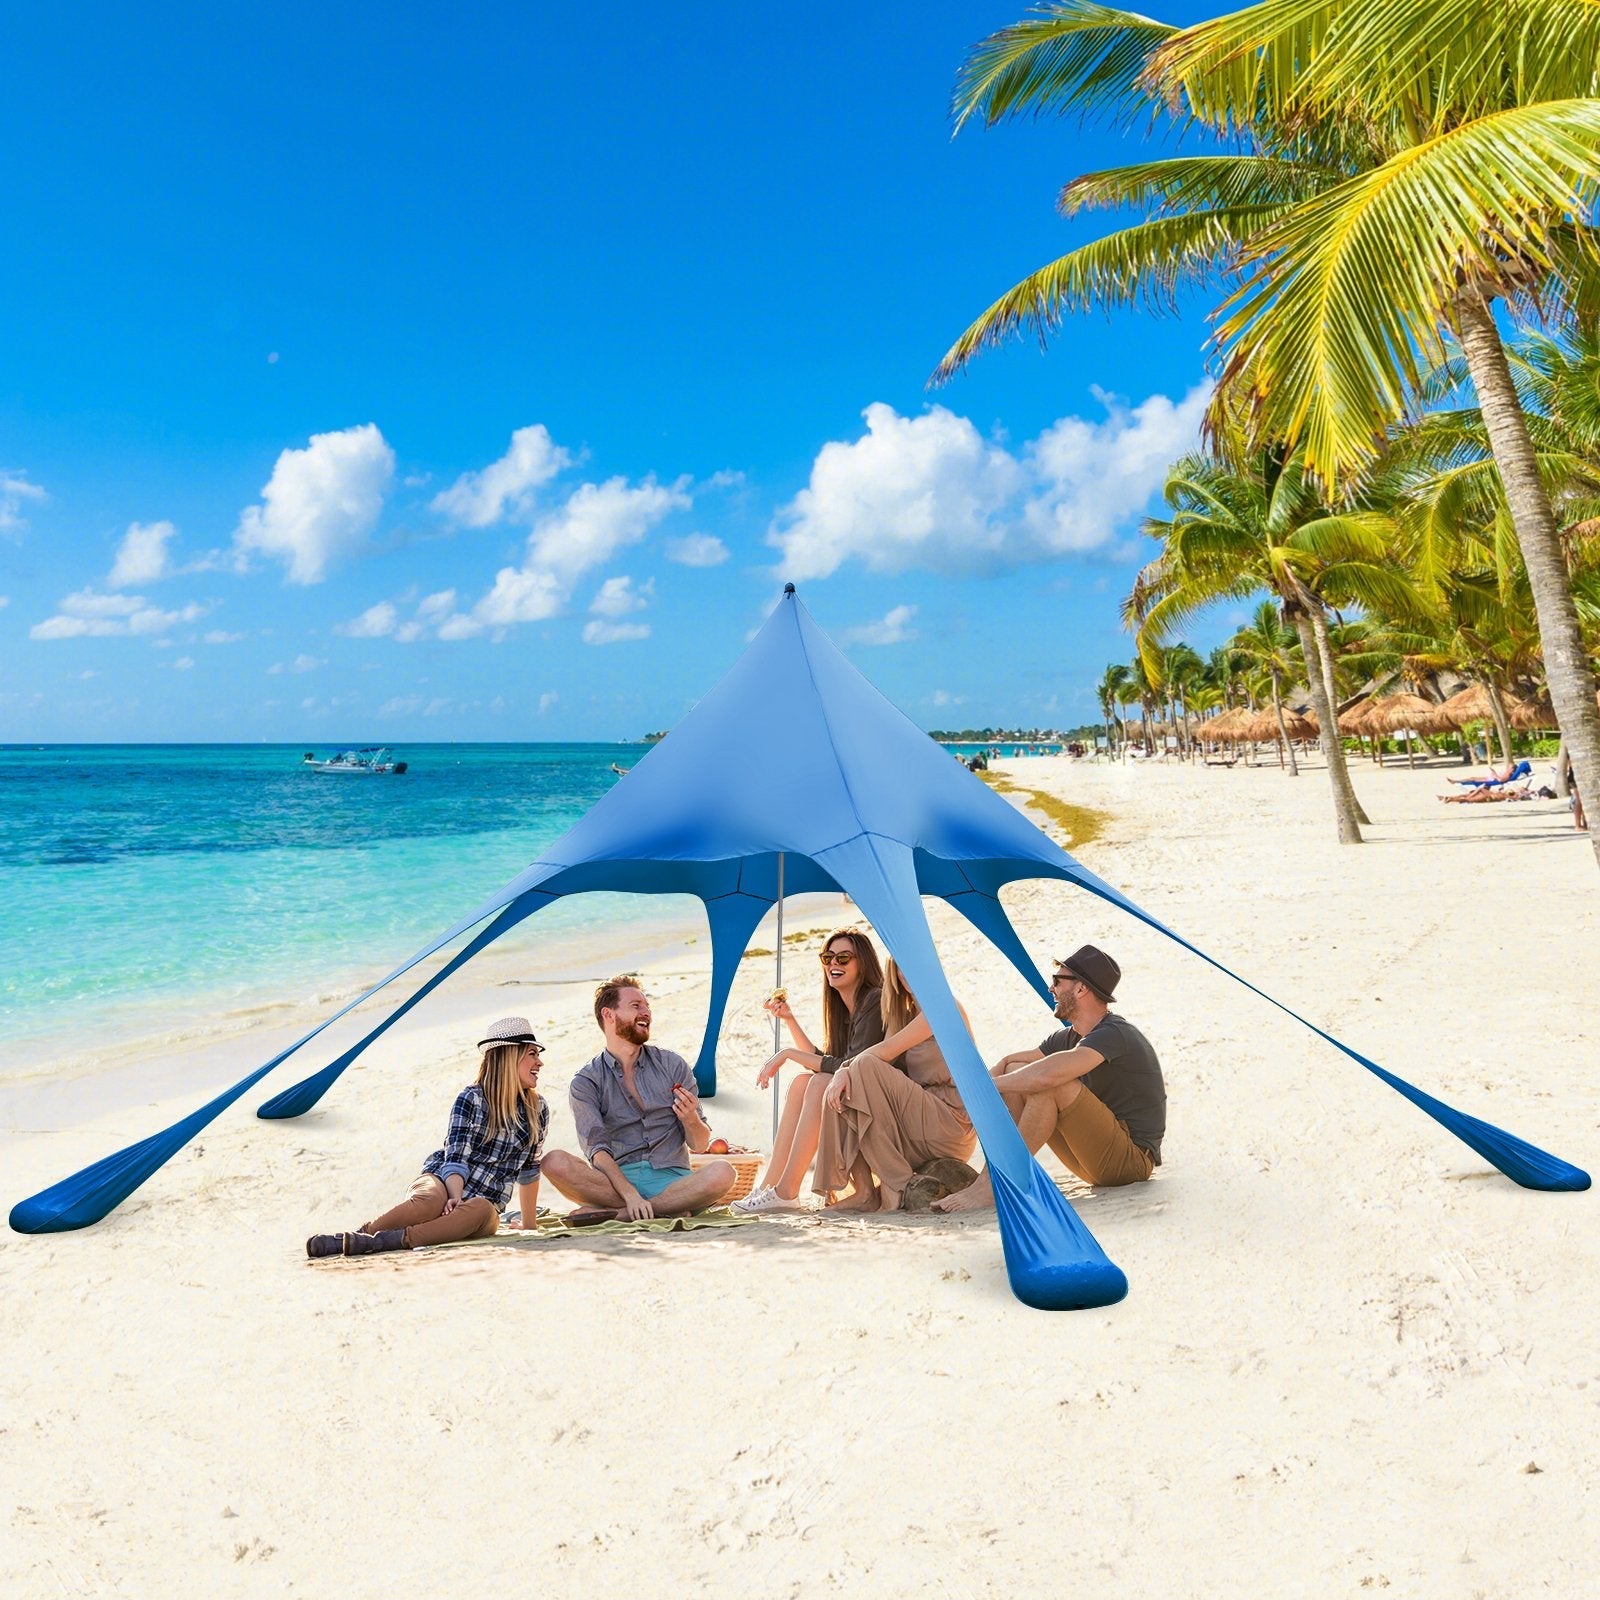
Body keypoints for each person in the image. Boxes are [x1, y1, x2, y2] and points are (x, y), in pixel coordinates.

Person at [935, 945, 1165, 1212]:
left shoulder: (1115, 1033)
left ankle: (992, 1185)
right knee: (1019, 1072)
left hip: (1131, 1162)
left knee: (1052, 1085)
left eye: (1057, 981)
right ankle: (1005, 1179)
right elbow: (1013, 1063)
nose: (1050, 988)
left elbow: (1047, 1077)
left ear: (1081, 989)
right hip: (1092, 1159)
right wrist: (974, 1093)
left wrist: (986, 1088)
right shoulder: (1068, 1037)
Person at [305, 1017, 550, 1258]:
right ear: (509, 1057)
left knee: (481, 1209)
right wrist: (454, 1197)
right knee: (431, 1201)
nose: (539, 1062)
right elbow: (455, 1158)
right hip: (443, 1181)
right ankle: (358, 1235)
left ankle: (385, 1241)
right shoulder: (471, 1099)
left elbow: (529, 1170)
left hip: (483, 1206)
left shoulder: (537, 1109)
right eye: (532, 1054)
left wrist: (529, 1225)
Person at [541, 975, 735, 1221]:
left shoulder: (672, 1065)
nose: (646, 1012)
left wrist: (691, 1119)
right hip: (614, 1185)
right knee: (553, 1162)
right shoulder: (586, 1081)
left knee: (723, 1172)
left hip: (673, 1183)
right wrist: (630, 1194)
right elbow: (597, 1151)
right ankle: (664, 1210)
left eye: (647, 1006)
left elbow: (700, 1144)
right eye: (636, 1006)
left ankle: (625, 1215)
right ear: (609, 1015)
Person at [732, 928, 885, 1215]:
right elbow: (823, 1059)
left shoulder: (874, 1001)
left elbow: (849, 1065)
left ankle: (787, 1192)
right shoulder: (844, 1010)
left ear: (862, 963)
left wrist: (788, 1053)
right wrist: (789, 1020)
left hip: (883, 1104)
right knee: (804, 1081)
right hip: (856, 1093)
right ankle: (770, 1187)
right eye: (827, 957)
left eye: (843, 958)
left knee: (816, 1083)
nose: (833, 964)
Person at [810, 957, 977, 1213]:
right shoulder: (905, 1016)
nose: (908, 970)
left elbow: (880, 1055)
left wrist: (844, 1069)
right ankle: (865, 1191)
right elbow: (878, 1055)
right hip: (922, 1120)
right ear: (895, 973)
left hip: (952, 1123)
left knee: (861, 1069)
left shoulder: (943, 1008)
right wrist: (844, 1074)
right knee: (845, 1087)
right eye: (901, 964)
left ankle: (895, 1185)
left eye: (913, 961)